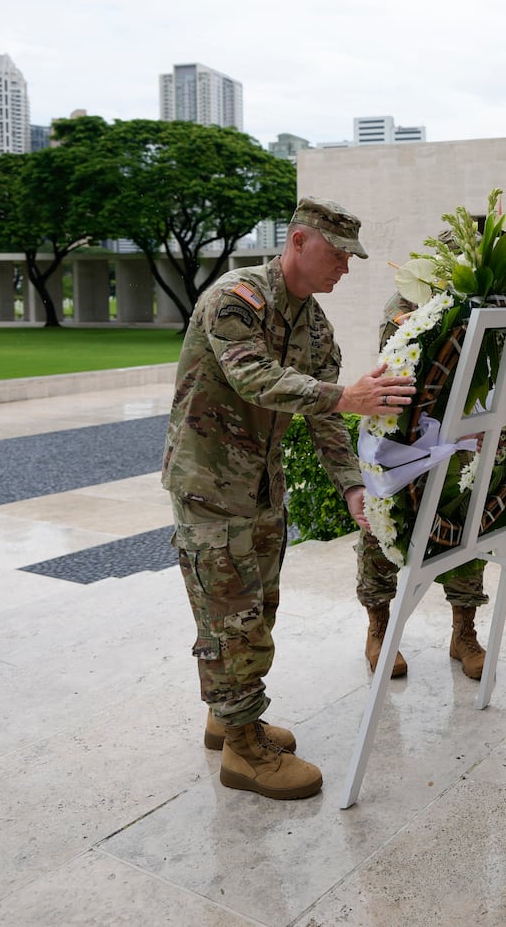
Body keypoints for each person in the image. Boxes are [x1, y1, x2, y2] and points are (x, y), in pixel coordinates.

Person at [162, 196, 415, 801]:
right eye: (338, 255)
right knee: (232, 619)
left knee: (260, 608)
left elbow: (328, 413)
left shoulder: (313, 321)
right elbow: (254, 377)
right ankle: (245, 754)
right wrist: (342, 398)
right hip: (210, 486)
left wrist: (353, 485)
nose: (345, 270)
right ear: (299, 242)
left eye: (352, 259)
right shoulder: (235, 298)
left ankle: (228, 717)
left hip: (261, 487)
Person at [356, 271, 489, 682]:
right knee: (384, 529)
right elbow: (398, 365)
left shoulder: (487, 305)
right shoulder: (406, 305)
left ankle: (464, 632)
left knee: (465, 525)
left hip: (463, 435)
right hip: (408, 435)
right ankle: (379, 629)